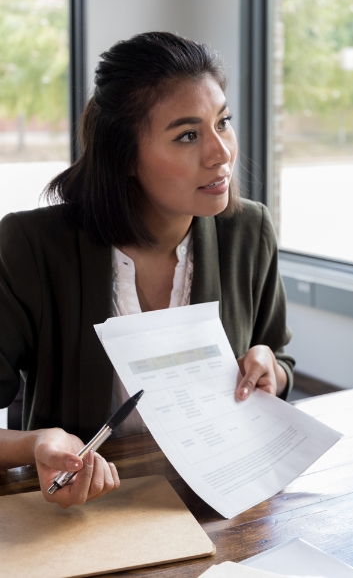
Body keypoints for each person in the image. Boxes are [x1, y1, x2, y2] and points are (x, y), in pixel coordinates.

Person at [0, 31, 294, 508]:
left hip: (219, 503)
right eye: (187, 135)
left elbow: (278, 357)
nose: (221, 153)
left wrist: (268, 370)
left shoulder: (248, 231)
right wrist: (35, 443)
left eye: (224, 122)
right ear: (124, 157)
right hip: (81, 511)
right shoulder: (31, 246)